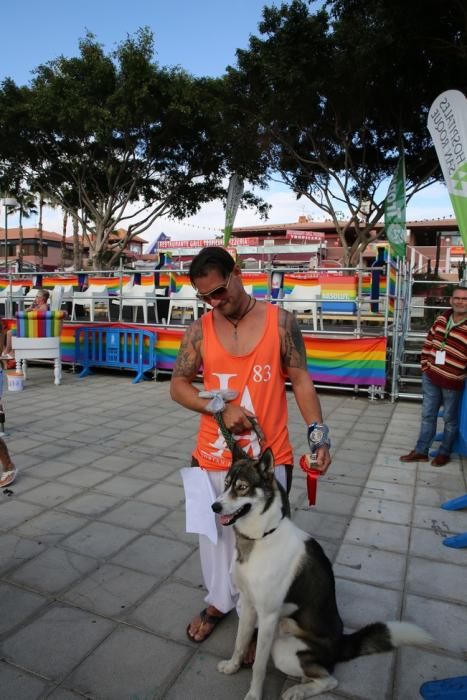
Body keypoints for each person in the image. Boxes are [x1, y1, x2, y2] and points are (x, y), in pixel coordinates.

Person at [170, 246, 331, 648]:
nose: (215, 302)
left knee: (264, 543)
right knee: (214, 539)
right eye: (205, 296)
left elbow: (302, 381)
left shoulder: (281, 323)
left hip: (266, 461)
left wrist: (318, 435)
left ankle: (256, 616)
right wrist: (217, 409)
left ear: (237, 273)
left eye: (220, 291)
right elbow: (178, 385)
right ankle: (218, 603)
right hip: (211, 457)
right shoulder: (199, 329)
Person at [400, 285, 467, 467]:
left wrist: (460, 372)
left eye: (464, 299)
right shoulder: (441, 319)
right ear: (451, 300)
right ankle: (421, 451)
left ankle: (444, 453)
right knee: (427, 415)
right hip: (431, 376)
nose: (460, 301)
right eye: (457, 298)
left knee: (450, 419)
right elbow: (429, 341)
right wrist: (425, 365)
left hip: (452, 380)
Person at [2, 290, 50, 366]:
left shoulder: (44, 306)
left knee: (10, 333)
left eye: (37, 297)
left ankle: (9, 352)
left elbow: (40, 312)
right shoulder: (37, 306)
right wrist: (30, 308)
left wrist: (30, 309)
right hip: (32, 329)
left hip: (35, 331)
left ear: (43, 298)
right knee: (9, 332)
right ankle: (9, 352)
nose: (35, 298)